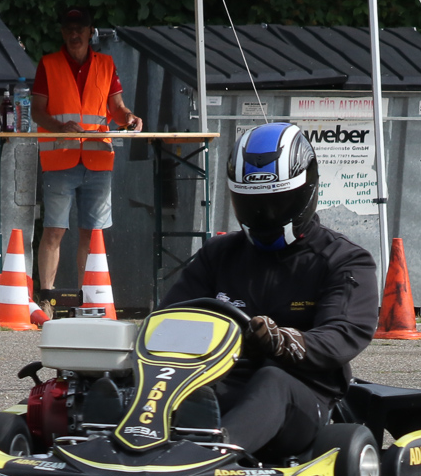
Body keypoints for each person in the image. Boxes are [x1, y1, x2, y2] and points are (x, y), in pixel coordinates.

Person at [161, 122, 379, 458]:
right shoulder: (219, 254)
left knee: (272, 379)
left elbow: (342, 335)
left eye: (278, 202)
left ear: (307, 191)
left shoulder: (344, 260)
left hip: (303, 396)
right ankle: (114, 440)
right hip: (223, 382)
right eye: (253, 205)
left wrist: (286, 341)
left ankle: (210, 456)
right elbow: (170, 320)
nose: (265, 215)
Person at [31, 6, 142, 314]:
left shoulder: (106, 64)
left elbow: (116, 108)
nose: (74, 34)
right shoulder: (49, 64)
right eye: (69, 29)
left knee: (92, 233)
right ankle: (47, 298)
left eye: (79, 28)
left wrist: (129, 118)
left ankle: (87, 298)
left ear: (90, 31)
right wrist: (59, 127)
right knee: (54, 230)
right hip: (60, 158)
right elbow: (37, 110)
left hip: (97, 159)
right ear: (62, 32)